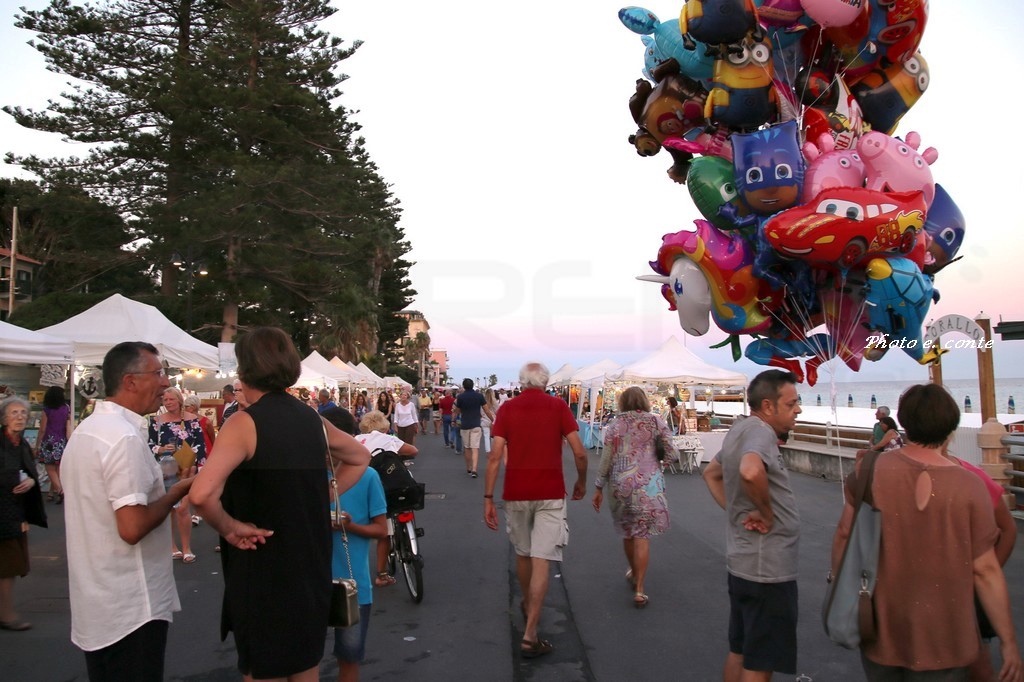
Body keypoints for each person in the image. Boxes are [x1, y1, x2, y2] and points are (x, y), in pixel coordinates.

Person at [189, 327, 370, 682]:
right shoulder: (312, 419)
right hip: (310, 562)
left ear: (245, 370)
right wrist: (320, 495)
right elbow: (360, 456)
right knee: (305, 662)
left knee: (264, 666)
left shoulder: (243, 423)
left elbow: (200, 495)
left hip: (262, 567)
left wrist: (230, 527)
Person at [832, 384, 1022, 681]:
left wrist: (839, 586)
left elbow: (845, 534)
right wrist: (1008, 642)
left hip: (883, 627)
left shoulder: (867, 473)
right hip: (947, 636)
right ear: (951, 425)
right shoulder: (969, 485)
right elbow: (985, 570)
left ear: (904, 422)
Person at [61, 342, 195, 680]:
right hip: (131, 607)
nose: (165, 383)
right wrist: (176, 491)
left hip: (98, 603)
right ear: (130, 381)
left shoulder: (87, 431)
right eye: (158, 373)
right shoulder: (122, 438)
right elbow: (131, 527)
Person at [702, 369, 802, 682]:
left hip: (744, 563)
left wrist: (736, 511)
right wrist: (767, 514)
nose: (798, 410)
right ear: (768, 406)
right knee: (761, 660)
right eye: (792, 404)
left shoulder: (740, 429)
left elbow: (711, 473)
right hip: (767, 569)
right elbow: (750, 471)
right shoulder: (761, 432)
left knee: (741, 649)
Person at [483, 362, 588, 659]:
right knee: (543, 558)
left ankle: (528, 603)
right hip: (550, 491)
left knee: (523, 552)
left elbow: (495, 456)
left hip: (516, 491)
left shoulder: (507, 409)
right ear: (546, 381)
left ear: (521, 382)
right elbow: (580, 452)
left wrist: (488, 498)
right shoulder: (558, 407)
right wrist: (581, 481)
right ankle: (530, 634)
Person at [592, 387, 677, 608]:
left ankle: (633, 572)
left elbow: (606, 459)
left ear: (623, 403)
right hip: (649, 486)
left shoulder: (615, 425)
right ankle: (639, 589)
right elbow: (672, 452)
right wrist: (659, 467)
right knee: (642, 534)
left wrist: (598, 487)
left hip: (621, 485)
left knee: (628, 532)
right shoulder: (656, 421)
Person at [320, 407, 388, 682]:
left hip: (352, 584)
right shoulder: (306, 477)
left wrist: (350, 526)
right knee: (302, 658)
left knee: (349, 657)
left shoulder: (367, 476)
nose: (328, 453)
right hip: (310, 582)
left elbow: (381, 530)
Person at [942, 442, 1018, 681]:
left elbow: (1007, 529)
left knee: (978, 666)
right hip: (927, 595)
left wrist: (982, 578)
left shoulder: (972, 477)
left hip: (964, 593)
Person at [353, 409, 417, 587]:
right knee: (388, 525)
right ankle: (381, 575)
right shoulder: (388, 438)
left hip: (366, 488)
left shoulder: (356, 440)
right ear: (384, 426)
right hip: (392, 486)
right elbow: (413, 450)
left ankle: (382, 573)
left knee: (383, 529)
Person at [0, 396, 47, 632]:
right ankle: (6, 615)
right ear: (3, 418)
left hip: (13, 513)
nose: (20, 417)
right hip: (4, 513)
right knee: (8, 566)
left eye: (23, 413)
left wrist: (30, 481)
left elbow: (29, 472)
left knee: (9, 566)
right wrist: (20, 479)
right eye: (14, 413)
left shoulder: (22, 444)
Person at [148, 387, 207, 564]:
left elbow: (200, 445)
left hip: (187, 469)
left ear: (179, 400)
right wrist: (160, 449)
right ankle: (172, 547)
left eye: (171, 399)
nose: (168, 403)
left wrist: (200, 467)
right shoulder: (157, 421)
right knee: (170, 509)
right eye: (165, 400)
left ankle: (187, 548)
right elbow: (149, 444)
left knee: (183, 508)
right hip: (167, 469)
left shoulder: (192, 420)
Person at [36, 385, 71, 504]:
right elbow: (67, 426)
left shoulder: (47, 409)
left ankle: (60, 491)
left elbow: (42, 429)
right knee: (58, 468)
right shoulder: (66, 408)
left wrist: (37, 445)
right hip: (62, 441)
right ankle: (57, 491)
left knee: (49, 468)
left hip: (49, 441)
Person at [453, 378, 494, 479]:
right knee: (475, 448)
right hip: (476, 424)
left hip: (465, 424)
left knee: (467, 447)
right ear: (472, 385)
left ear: (464, 386)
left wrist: (454, 420)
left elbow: (457, 410)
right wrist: (492, 420)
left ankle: (469, 468)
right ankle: (474, 469)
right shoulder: (479, 396)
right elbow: (487, 410)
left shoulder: (460, 397)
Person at [480, 388, 499, 454]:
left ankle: (488, 450)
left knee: (486, 436)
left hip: (484, 420)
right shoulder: (494, 402)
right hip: (493, 420)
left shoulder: (483, 401)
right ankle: (493, 450)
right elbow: (497, 411)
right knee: (493, 436)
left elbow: (481, 412)